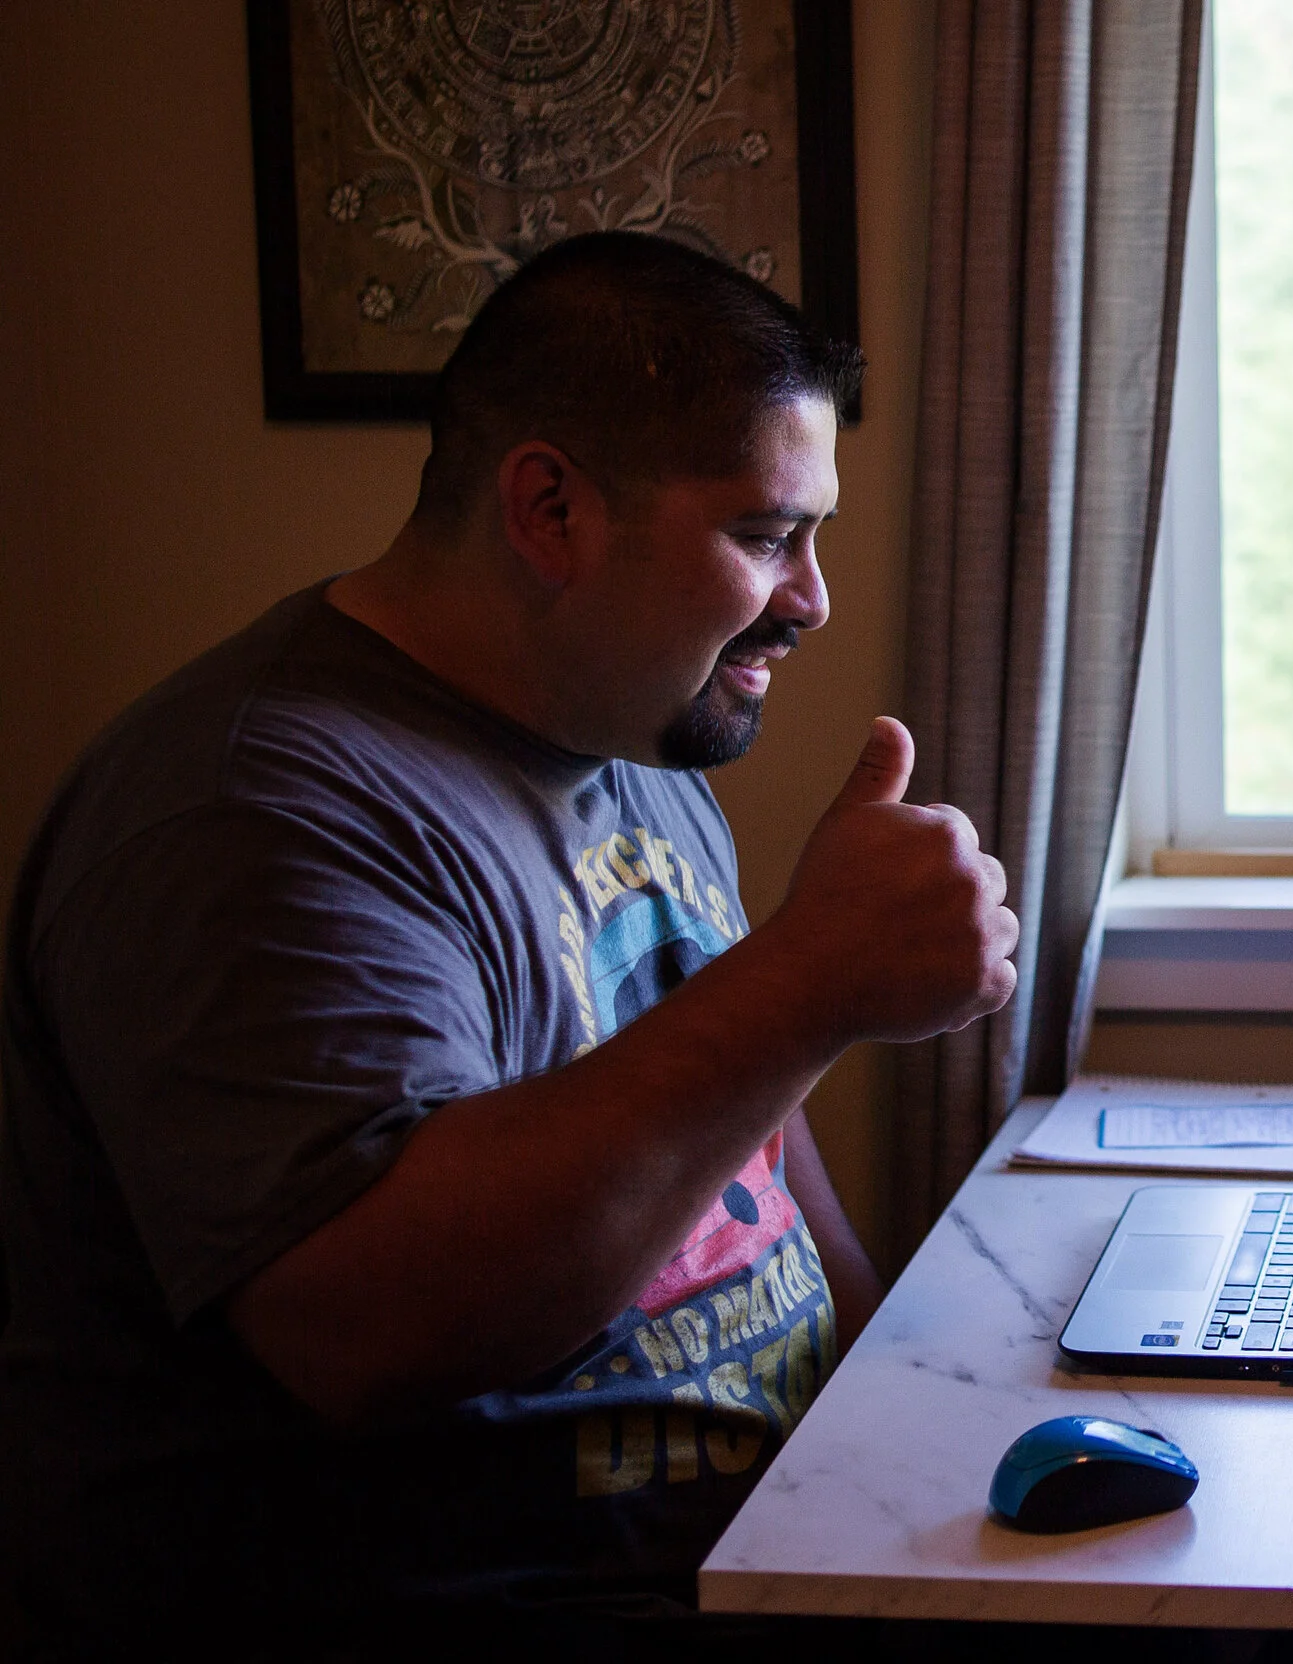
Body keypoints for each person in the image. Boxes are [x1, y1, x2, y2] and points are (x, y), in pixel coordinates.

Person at [0, 232, 1018, 1653]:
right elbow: (368, 1334)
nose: (812, 598)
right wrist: (811, 982)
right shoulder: (249, 807)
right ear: (549, 509)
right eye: (767, 533)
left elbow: (760, 1173)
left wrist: (920, 1450)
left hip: (771, 1547)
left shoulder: (640, 740)